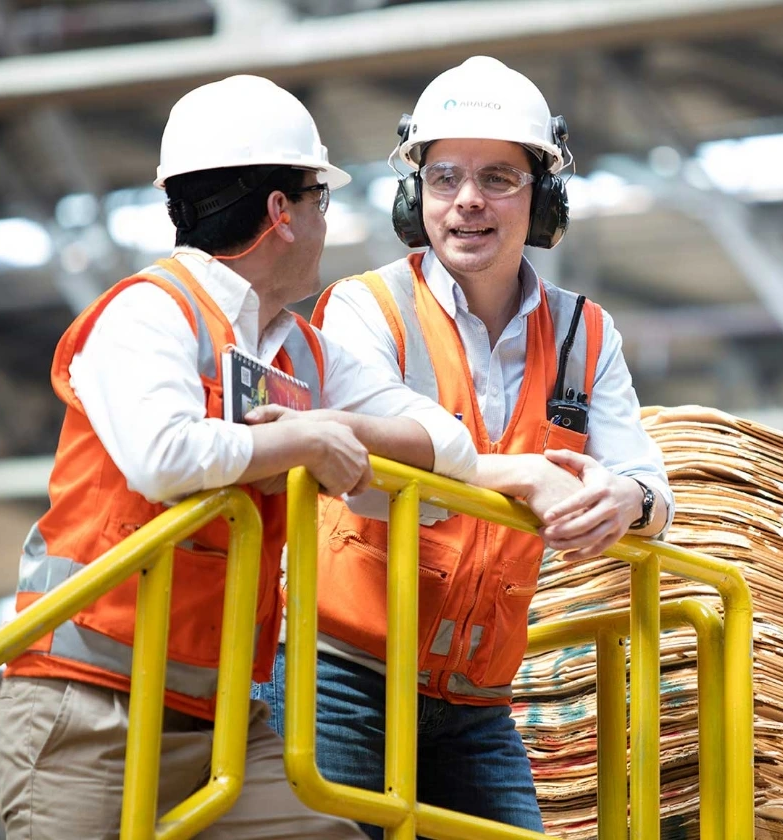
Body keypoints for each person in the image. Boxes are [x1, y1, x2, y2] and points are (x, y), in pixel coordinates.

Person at [0, 75, 477, 840]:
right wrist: (306, 438)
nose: (326, 223)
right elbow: (164, 456)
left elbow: (450, 448)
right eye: (320, 201)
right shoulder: (149, 312)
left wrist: (336, 428)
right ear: (281, 213)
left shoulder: (304, 351)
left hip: (221, 723)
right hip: (88, 707)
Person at [253, 56, 674, 836]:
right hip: (340, 673)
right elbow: (366, 473)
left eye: (498, 179)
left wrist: (627, 498)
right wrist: (523, 478)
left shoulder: (585, 336)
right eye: (444, 178)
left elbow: (651, 487)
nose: (468, 202)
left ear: (541, 197)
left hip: (476, 702)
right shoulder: (364, 310)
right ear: (417, 196)